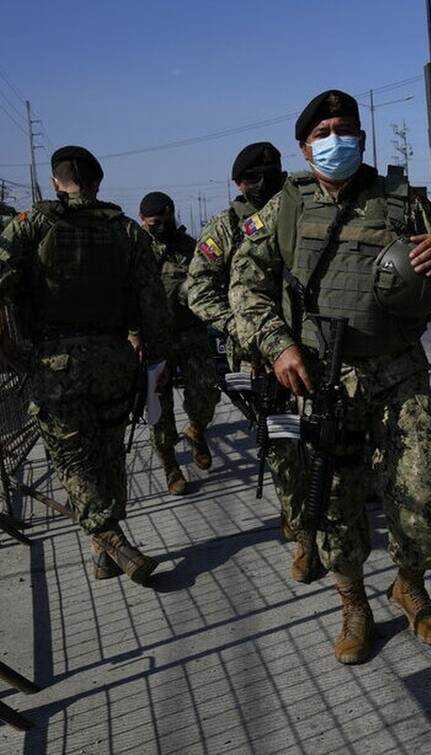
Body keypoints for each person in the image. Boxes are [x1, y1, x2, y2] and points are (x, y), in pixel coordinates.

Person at [229, 89, 431, 665]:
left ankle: (409, 584)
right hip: (323, 381)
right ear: (304, 147)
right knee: (335, 502)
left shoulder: (400, 200)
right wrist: (278, 347)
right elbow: (245, 287)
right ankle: (354, 605)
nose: (335, 141)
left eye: (345, 130)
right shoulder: (285, 207)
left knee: (424, 486)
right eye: (322, 135)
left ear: (362, 139)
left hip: (398, 371)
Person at [0, 146, 171, 585]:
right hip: (114, 359)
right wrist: (154, 358)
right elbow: (154, 304)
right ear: (98, 182)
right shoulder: (126, 230)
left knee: (74, 459)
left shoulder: (31, 225)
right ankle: (103, 553)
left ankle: (108, 536)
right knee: (110, 453)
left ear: (56, 183)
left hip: (55, 365)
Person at [186, 142, 306, 549]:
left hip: (314, 342)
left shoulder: (302, 207)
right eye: (255, 179)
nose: (266, 184)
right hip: (259, 355)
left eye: (273, 175)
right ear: (239, 184)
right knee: (282, 438)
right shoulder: (226, 227)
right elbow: (198, 290)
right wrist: (238, 325)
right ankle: (297, 521)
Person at [138, 191, 220, 494]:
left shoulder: (190, 247)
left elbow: (207, 282)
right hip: (155, 339)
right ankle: (170, 465)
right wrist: (133, 333)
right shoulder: (138, 249)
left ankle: (196, 430)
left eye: (162, 221)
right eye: (151, 224)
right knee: (158, 405)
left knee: (206, 392)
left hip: (191, 333)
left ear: (171, 213)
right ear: (141, 220)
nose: (158, 227)